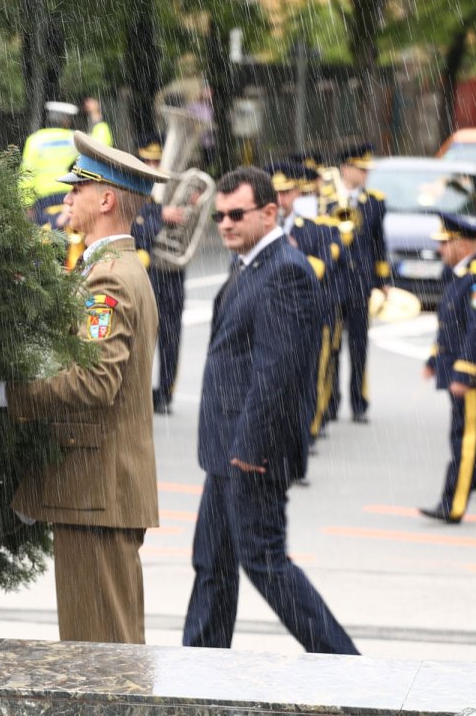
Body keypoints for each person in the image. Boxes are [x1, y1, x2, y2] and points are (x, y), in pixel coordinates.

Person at [0, 132, 165, 644]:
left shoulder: (110, 278)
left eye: (77, 188)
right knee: (103, 646)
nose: (66, 197)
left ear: (106, 199)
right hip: (95, 489)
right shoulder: (108, 269)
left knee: (100, 653)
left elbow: (96, 381)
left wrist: (10, 394)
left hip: (96, 489)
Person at [182, 165, 358, 655]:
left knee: (265, 563)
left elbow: (278, 373)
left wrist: (250, 450)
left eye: (236, 214)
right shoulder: (251, 264)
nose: (226, 224)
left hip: (251, 453)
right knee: (212, 563)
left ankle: (347, 665)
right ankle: (200, 666)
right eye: (219, 216)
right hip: (228, 449)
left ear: (269, 211)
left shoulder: (285, 272)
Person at [270, 161, 344, 454]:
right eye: (276, 192)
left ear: (298, 194)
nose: (280, 200)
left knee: (310, 375)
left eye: (286, 193)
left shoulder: (314, 228)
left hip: (308, 313)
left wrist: (291, 255)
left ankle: (307, 431)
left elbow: (322, 266)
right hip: (274, 312)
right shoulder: (265, 229)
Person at [420, 213, 476, 523]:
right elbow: (450, 325)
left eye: (444, 243)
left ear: (461, 244)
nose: (440, 250)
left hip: (472, 377)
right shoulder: (461, 275)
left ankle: (454, 504)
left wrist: (464, 373)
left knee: (467, 438)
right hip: (459, 370)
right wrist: (434, 359)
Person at [321, 144, 389, 424]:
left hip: (360, 282)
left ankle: (359, 402)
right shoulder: (327, 199)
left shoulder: (374, 201)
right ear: (345, 169)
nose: (365, 174)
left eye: (366, 169)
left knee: (359, 346)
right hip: (334, 281)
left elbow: (378, 242)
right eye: (360, 168)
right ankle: (330, 402)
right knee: (332, 346)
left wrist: (382, 279)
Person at [131, 134, 188, 415]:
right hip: (147, 272)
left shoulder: (177, 192)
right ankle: (140, 390)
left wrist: (189, 206)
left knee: (172, 335)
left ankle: (165, 392)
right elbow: (138, 233)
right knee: (143, 333)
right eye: (149, 161)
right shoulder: (136, 197)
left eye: (158, 161)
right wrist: (160, 216)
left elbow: (188, 233)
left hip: (172, 273)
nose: (155, 167)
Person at [20, 102, 79, 227]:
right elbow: (102, 143)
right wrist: (97, 119)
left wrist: (27, 203)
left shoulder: (35, 139)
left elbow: (26, 173)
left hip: (43, 198)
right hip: (68, 195)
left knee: (46, 239)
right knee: (71, 238)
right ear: (67, 120)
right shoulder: (74, 138)